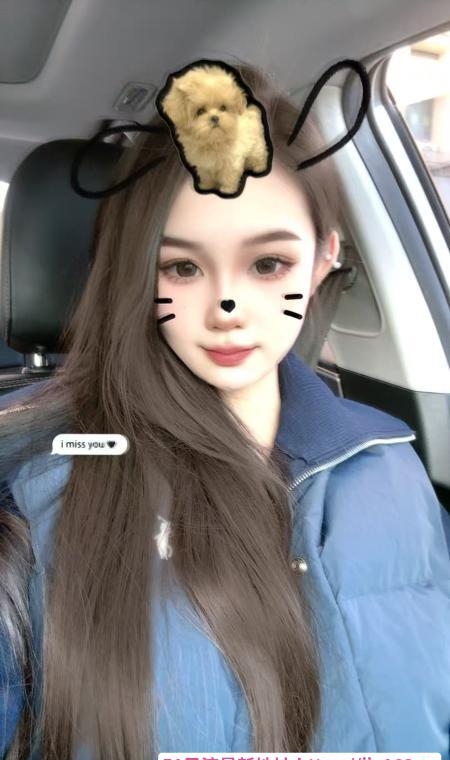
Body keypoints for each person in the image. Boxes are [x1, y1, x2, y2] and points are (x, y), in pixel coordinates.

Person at [0, 59, 449, 759]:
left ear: (323, 259)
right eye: (183, 267)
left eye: (268, 265)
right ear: (140, 276)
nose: (226, 309)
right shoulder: (38, 479)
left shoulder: (391, 461)